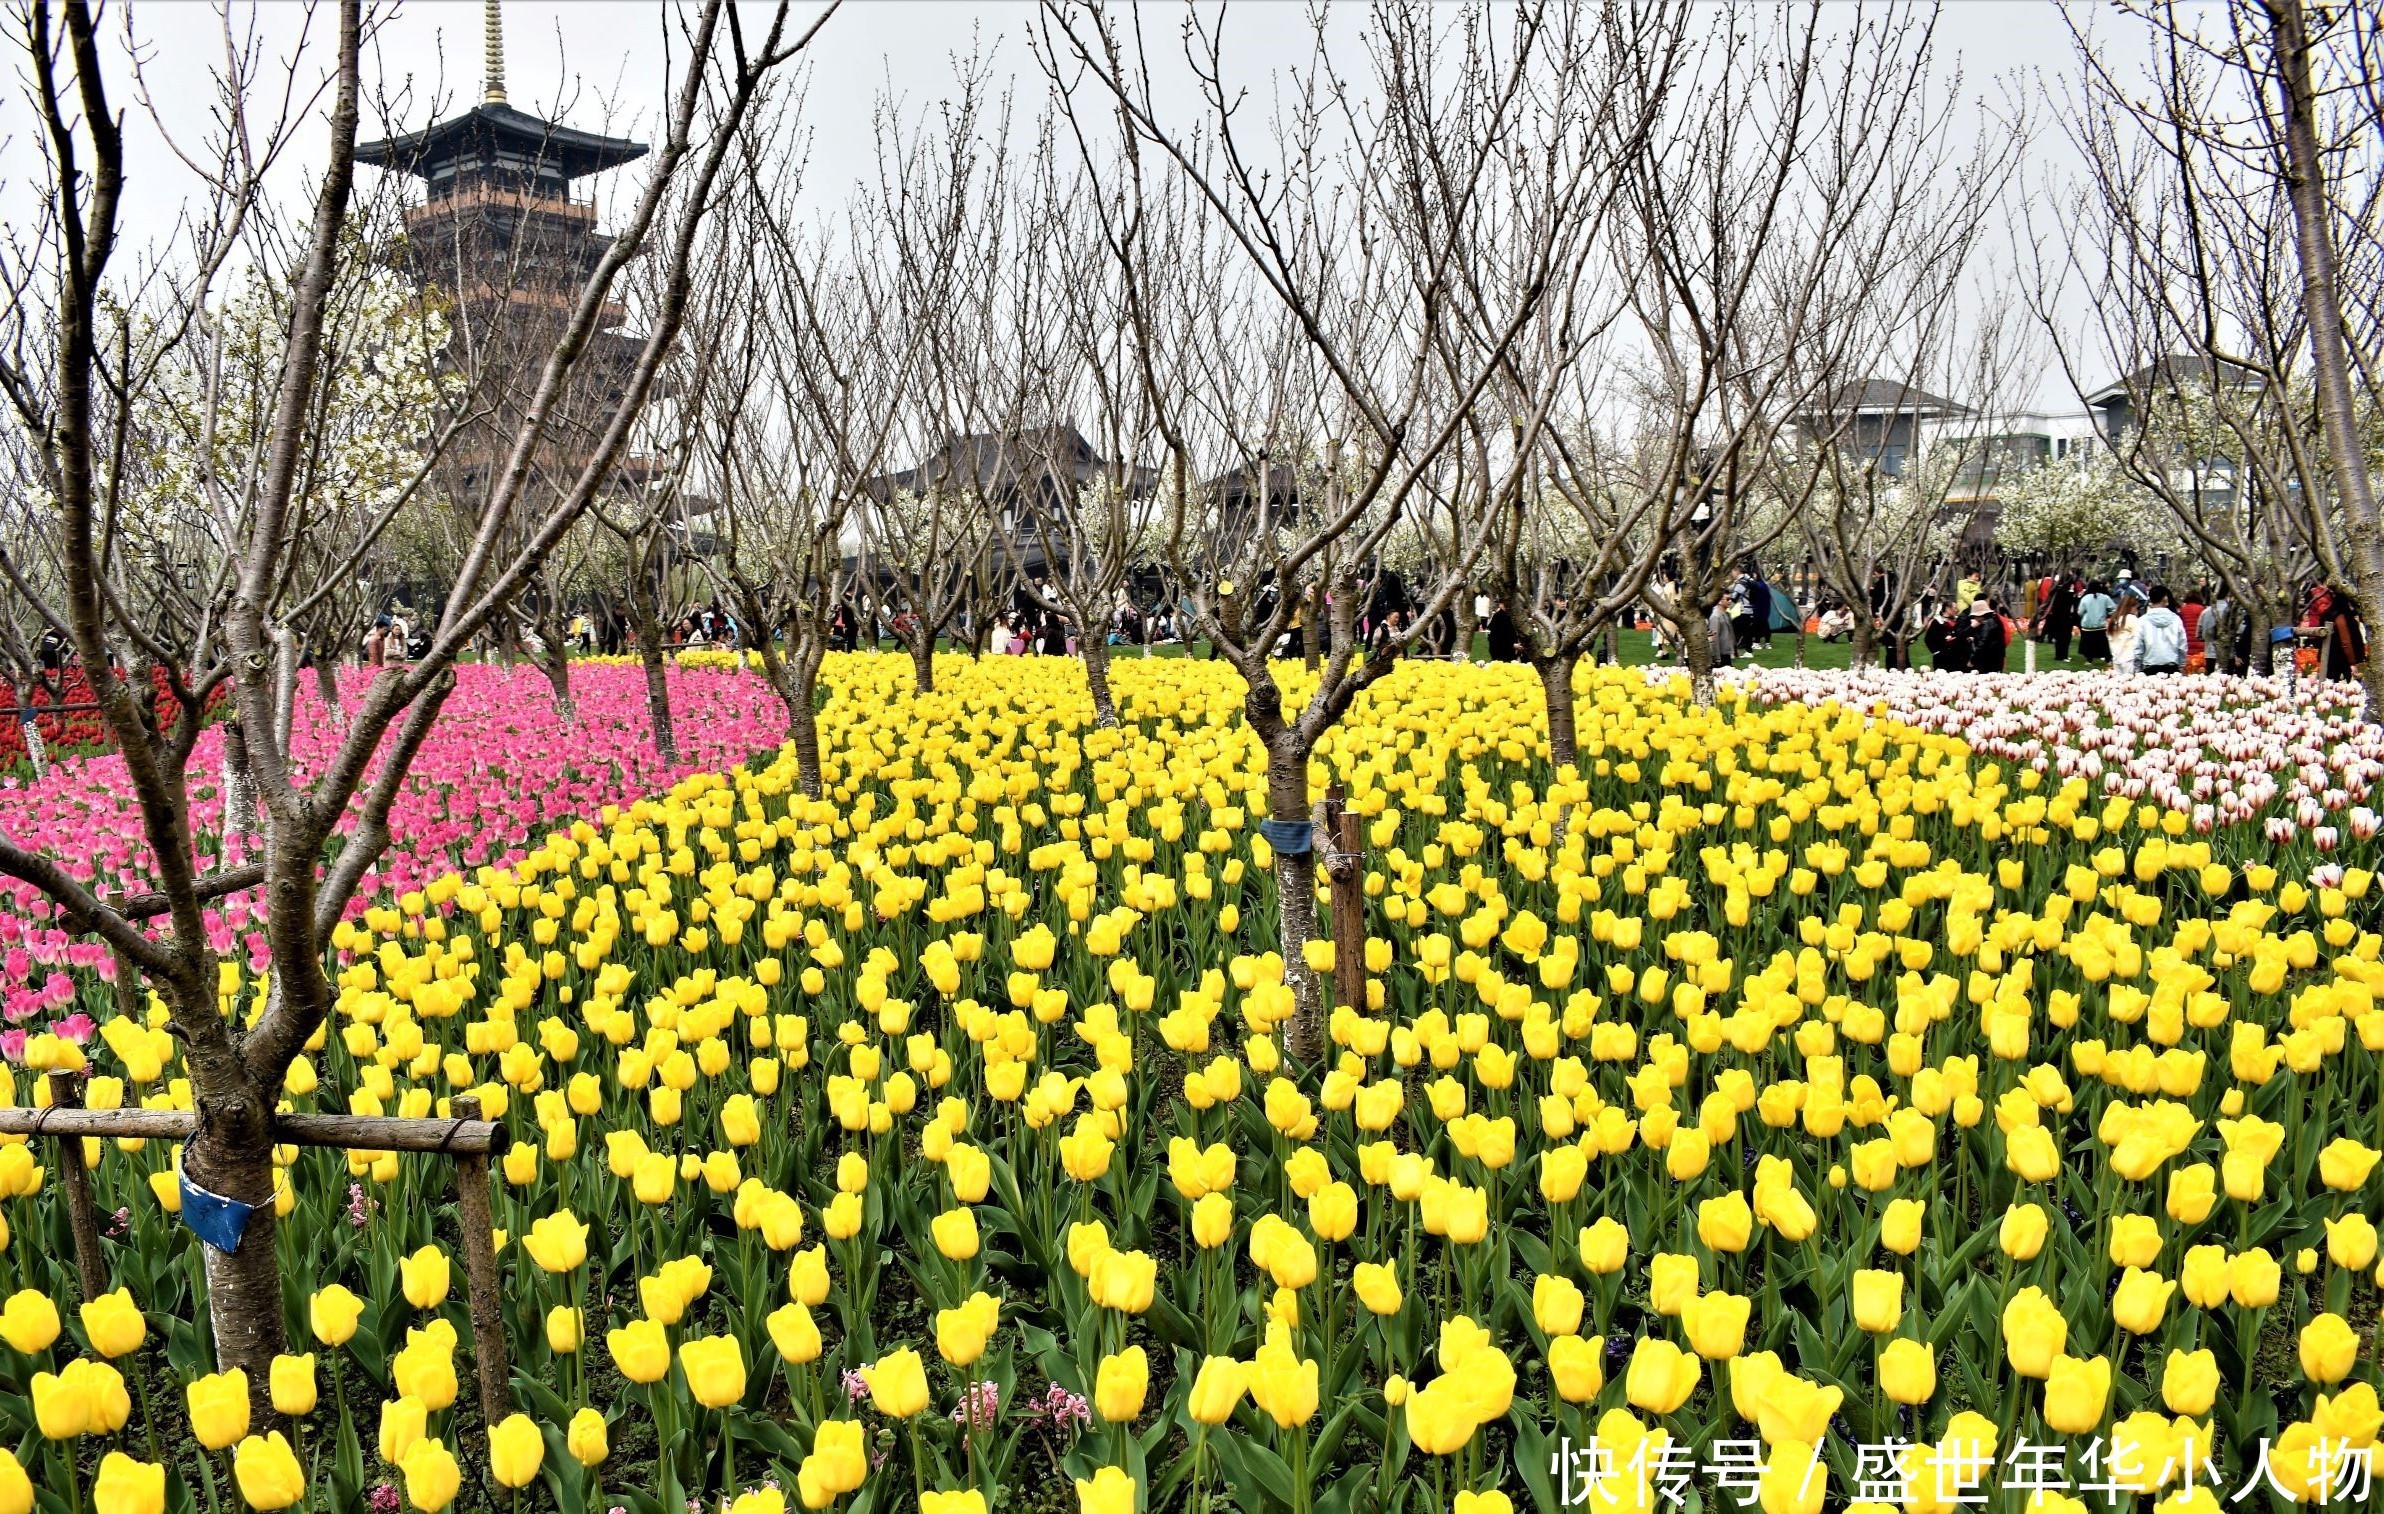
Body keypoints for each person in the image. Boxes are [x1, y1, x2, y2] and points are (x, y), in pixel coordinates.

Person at [2304, 582, 2368, 682]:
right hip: (2344, 659)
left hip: (2329, 659)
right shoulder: (2342, 617)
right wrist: (2352, 662)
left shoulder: (2327, 614)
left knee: (2330, 687)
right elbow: (2345, 641)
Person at [2136, 587, 2187, 674]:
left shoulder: (2143, 620)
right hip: (2172, 666)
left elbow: (2138, 646)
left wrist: (2137, 667)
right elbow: (2182, 644)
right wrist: (2182, 664)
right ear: (2165, 598)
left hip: (2149, 667)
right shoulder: (2176, 619)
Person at [1963, 599, 2006, 673]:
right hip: (1997, 657)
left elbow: (1983, 643)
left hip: (1988, 660)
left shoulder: (1987, 624)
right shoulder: (1995, 620)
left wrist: (1972, 660)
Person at [2077, 581, 2115, 664]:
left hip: (2087, 625)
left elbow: (2080, 612)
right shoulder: (2105, 598)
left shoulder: (2085, 598)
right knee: (2103, 644)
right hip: (2100, 625)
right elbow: (2113, 609)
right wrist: (2107, 615)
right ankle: (2108, 659)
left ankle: (2089, 660)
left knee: (2088, 643)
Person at [2108, 596, 2141, 677]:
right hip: (2129, 657)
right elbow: (2139, 637)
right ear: (2130, 607)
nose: (2136, 610)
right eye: (2136, 607)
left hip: (2116, 658)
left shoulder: (2114, 620)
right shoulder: (2132, 619)